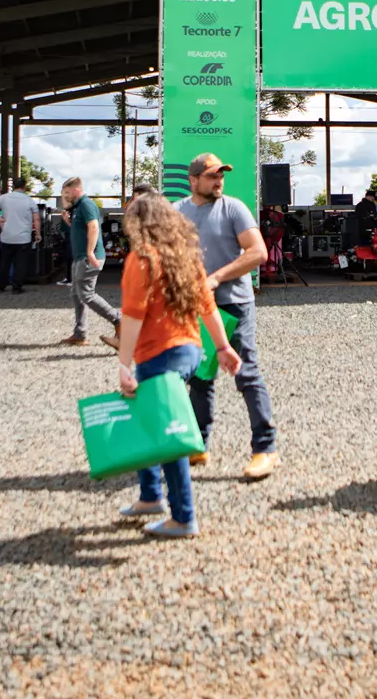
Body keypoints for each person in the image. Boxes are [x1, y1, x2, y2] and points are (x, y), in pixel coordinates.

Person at [115, 192, 243, 538]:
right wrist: (223, 347)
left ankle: (183, 517)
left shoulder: (141, 260)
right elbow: (208, 307)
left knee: (168, 437)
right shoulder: (185, 258)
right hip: (190, 352)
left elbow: (132, 316)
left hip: (159, 355)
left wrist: (123, 364)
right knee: (149, 422)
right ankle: (150, 496)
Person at [175, 154, 279, 480]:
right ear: (193, 180)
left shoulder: (234, 208)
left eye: (221, 175)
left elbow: (258, 252)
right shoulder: (178, 212)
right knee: (200, 377)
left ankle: (265, 449)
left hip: (234, 304)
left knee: (246, 372)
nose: (218, 181)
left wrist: (217, 278)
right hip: (196, 307)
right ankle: (198, 444)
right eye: (211, 176)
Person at [61, 177, 120, 346]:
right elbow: (81, 228)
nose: (65, 196)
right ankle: (80, 334)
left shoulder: (86, 204)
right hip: (81, 257)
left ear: (76, 190)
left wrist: (89, 252)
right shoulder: (78, 207)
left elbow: (93, 227)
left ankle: (118, 320)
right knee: (77, 294)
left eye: (67, 193)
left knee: (86, 294)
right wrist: (68, 221)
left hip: (88, 258)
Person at [0, 180, 42, 293]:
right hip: (23, 238)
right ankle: (17, 287)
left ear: (13, 186)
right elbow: (37, 218)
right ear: (24, 187)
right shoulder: (29, 200)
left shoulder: (4, 198)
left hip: (7, 236)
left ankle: (1, 285)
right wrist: (38, 233)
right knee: (21, 263)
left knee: (5, 262)